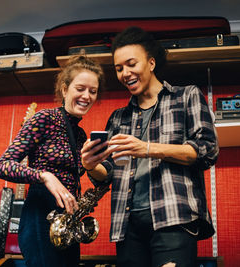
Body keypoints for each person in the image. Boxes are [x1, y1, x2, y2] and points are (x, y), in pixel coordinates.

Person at [81, 26, 219, 267]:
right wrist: (90, 165)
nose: (125, 73)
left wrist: (147, 148)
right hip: (127, 226)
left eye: (131, 64)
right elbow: (109, 174)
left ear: (151, 63)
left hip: (174, 219)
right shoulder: (117, 118)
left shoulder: (187, 96)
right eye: (119, 68)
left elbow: (207, 150)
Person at [0, 54, 105, 267]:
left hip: (67, 221)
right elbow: (3, 166)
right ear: (65, 89)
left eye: (93, 91)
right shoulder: (44, 118)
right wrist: (45, 176)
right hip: (40, 216)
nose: (87, 96)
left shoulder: (81, 135)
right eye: (80, 88)